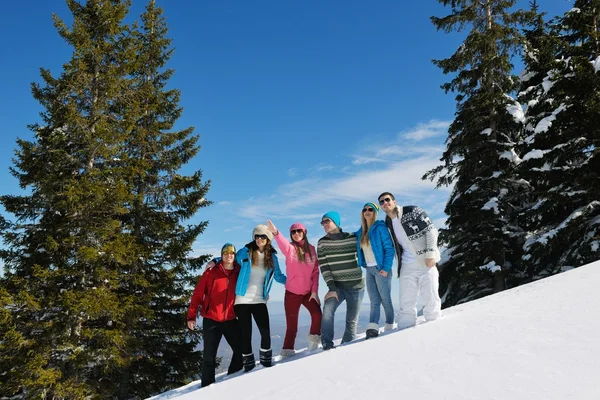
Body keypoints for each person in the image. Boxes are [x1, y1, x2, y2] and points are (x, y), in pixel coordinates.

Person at [378, 192, 442, 329]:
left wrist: (430, 254)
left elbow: (431, 231)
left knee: (430, 295)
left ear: (394, 201)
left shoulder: (412, 211)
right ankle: (404, 329)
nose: (385, 203)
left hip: (425, 260)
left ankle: (435, 325)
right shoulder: (387, 222)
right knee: (406, 299)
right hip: (406, 264)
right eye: (381, 202)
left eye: (387, 200)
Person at [187, 243, 243, 387]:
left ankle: (232, 380)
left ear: (234, 256)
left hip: (230, 319)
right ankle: (206, 388)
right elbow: (198, 294)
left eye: (231, 253)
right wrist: (191, 316)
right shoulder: (211, 272)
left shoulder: (239, 271)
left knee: (241, 350)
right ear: (222, 255)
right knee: (209, 357)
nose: (229, 255)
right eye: (226, 253)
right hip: (211, 320)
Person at [266, 219, 322, 357]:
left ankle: (314, 342)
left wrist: (314, 291)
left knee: (317, 315)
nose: (296, 234)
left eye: (299, 231)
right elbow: (282, 243)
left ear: (304, 232)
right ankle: (287, 351)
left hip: (308, 293)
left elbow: (315, 272)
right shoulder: (291, 249)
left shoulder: (312, 250)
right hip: (292, 293)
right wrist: (275, 232)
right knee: (292, 326)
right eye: (293, 232)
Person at [234, 224, 286, 371]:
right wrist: (216, 260)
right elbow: (230, 260)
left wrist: (295, 283)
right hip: (242, 299)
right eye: (257, 236)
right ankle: (248, 365)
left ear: (268, 239)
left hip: (259, 300)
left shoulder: (273, 258)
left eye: (263, 236)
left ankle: (266, 363)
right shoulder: (245, 252)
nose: (259, 239)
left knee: (265, 332)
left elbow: (279, 276)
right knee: (246, 333)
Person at [317, 211, 365, 350]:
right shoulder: (322, 243)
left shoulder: (352, 238)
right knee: (327, 311)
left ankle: (346, 348)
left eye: (328, 221)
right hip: (337, 288)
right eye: (323, 222)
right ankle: (327, 345)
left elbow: (366, 233)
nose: (325, 224)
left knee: (351, 321)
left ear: (336, 222)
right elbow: (324, 267)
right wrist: (331, 288)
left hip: (357, 286)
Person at [355, 202, 395, 339]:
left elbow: (389, 249)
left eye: (370, 209)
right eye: (364, 209)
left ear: (375, 212)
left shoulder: (380, 227)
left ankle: (390, 324)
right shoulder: (361, 231)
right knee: (374, 300)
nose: (367, 211)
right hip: (369, 269)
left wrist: (386, 268)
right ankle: (373, 328)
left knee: (385, 299)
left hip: (381, 269)